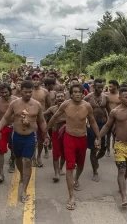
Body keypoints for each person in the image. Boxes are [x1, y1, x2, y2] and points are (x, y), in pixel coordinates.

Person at [46, 83, 101, 211]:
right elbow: (54, 117)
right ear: (70, 93)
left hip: (82, 138)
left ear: (83, 93)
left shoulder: (87, 106)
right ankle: (71, 196)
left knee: (80, 164)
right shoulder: (66, 104)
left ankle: (76, 179)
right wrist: (46, 132)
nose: (77, 94)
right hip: (69, 138)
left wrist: (98, 137)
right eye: (74, 92)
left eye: (79, 92)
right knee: (70, 166)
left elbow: (92, 121)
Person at [0, 80, 48, 203]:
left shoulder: (37, 105)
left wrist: (46, 134)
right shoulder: (14, 104)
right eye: (25, 92)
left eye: (30, 92)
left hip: (30, 136)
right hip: (16, 135)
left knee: (27, 161)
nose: (28, 94)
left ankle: (24, 190)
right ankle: (22, 174)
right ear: (21, 91)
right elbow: (6, 118)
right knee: (18, 159)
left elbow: (42, 121)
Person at [84, 79, 109, 182]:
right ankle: (95, 171)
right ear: (93, 87)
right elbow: (82, 109)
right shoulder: (88, 98)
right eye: (98, 87)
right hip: (92, 126)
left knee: (103, 149)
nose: (100, 89)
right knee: (94, 149)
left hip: (103, 125)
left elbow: (110, 111)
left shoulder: (105, 98)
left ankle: (96, 160)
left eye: (101, 88)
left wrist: (112, 124)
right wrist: (85, 123)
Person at [0, 83, 18, 182]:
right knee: (1, 151)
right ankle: (1, 173)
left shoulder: (16, 100)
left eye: (6, 92)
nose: (4, 94)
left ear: (9, 92)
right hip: (2, 128)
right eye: (2, 93)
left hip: (14, 128)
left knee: (14, 148)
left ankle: (12, 162)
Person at [43, 90, 66, 182]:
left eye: (62, 96)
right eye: (58, 97)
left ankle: (60, 168)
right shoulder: (52, 109)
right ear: (55, 99)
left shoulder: (69, 108)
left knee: (64, 153)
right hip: (55, 134)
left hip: (67, 134)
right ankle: (56, 173)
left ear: (65, 98)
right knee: (56, 154)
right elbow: (42, 115)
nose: (60, 98)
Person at [31, 73, 51, 166]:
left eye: (37, 79)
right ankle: (33, 156)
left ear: (40, 81)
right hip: (30, 119)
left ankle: (39, 156)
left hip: (41, 119)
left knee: (40, 139)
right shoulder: (29, 91)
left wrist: (45, 115)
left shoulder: (45, 92)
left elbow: (48, 105)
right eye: (34, 79)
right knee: (31, 138)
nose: (35, 81)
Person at [105, 79, 121, 156]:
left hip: (118, 117)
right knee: (107, 134)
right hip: (108, 117)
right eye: (109, 86)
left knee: (116, 134)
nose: (109, 88)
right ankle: (108, 149)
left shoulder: (120, 95)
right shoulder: (106, 95)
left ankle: (115, 149)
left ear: (115, 86)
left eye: (111, 86)